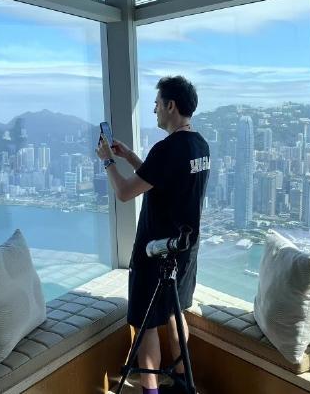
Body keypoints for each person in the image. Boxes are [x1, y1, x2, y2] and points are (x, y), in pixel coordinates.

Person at [95, 76, 210, 394]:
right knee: (175, 312)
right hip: (185, 250)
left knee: (145, 324)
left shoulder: (166, 149)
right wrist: (130, 156)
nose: (154, 110)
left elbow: (124, 192)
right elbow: (163, 179)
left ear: (171, 106)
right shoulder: (200, 145)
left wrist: (107, 160)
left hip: (155, 252)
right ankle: (184, 383)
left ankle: (151, 391)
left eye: (157, 104)